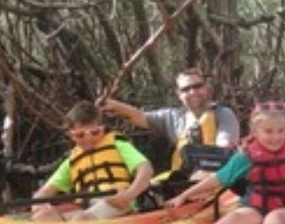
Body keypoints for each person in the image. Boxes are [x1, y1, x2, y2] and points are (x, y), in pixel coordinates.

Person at [98, 68, 240, 181]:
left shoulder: (223, 114)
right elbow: (138, 116)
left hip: (216, 177)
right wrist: (113, 105)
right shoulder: (172, 117)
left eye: (197, 86)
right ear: (179, 94)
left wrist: (207, 173)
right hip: (182, 179)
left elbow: (225, 150)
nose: (192, 92)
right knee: (152, 186)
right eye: (186, 89)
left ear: (206, 89)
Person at [31, 101, 153, 222]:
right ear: (71, 135)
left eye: (95, 133)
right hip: (85, 207)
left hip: (116, 202)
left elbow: (146, 170)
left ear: (103, 129)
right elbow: (44, 192)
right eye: (80, 135)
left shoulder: (118, 145)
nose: (88, 139)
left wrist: (128, 195)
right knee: (43, 215)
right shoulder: (72, 160)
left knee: (82, 219)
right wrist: (38, 205)